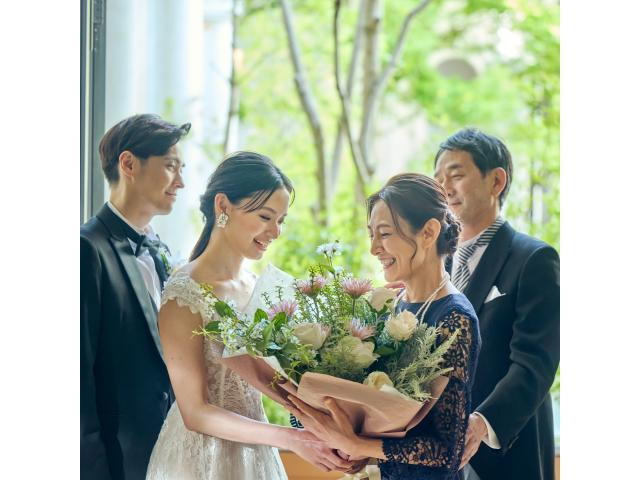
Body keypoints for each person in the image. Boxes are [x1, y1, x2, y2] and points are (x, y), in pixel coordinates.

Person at [145, 151, 352, 479]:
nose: (276, 232)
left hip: (256, 453)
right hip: (199, 461)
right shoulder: (183, 295)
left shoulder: (262, 288)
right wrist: (291, 439)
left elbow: (282, 382)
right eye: (265, 216)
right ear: (223, 206)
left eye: (281, 220)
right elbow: (195, 413)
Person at [287, 173, 480, 480]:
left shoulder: (454, 318)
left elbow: (448, 452)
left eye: (385, 234)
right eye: (371, 235)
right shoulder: (390, 305)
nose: (374, 248)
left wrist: (356, 443)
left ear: (429, 232)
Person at [433, 128, 560, 480]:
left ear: (496, 181)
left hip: (504, 453)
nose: (445, 188)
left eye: (456, 175)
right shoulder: (435, 267)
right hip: (436, 456)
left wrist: (480, 424)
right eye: (438, 179)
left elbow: (535, 364)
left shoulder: (534, 259)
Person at [81, 113, 191, 479]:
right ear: (128, 164)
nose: (181, 182)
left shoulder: (162, 251)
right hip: (117, 464)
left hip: (172, 455)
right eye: (171, 166)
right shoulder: (86, 250)